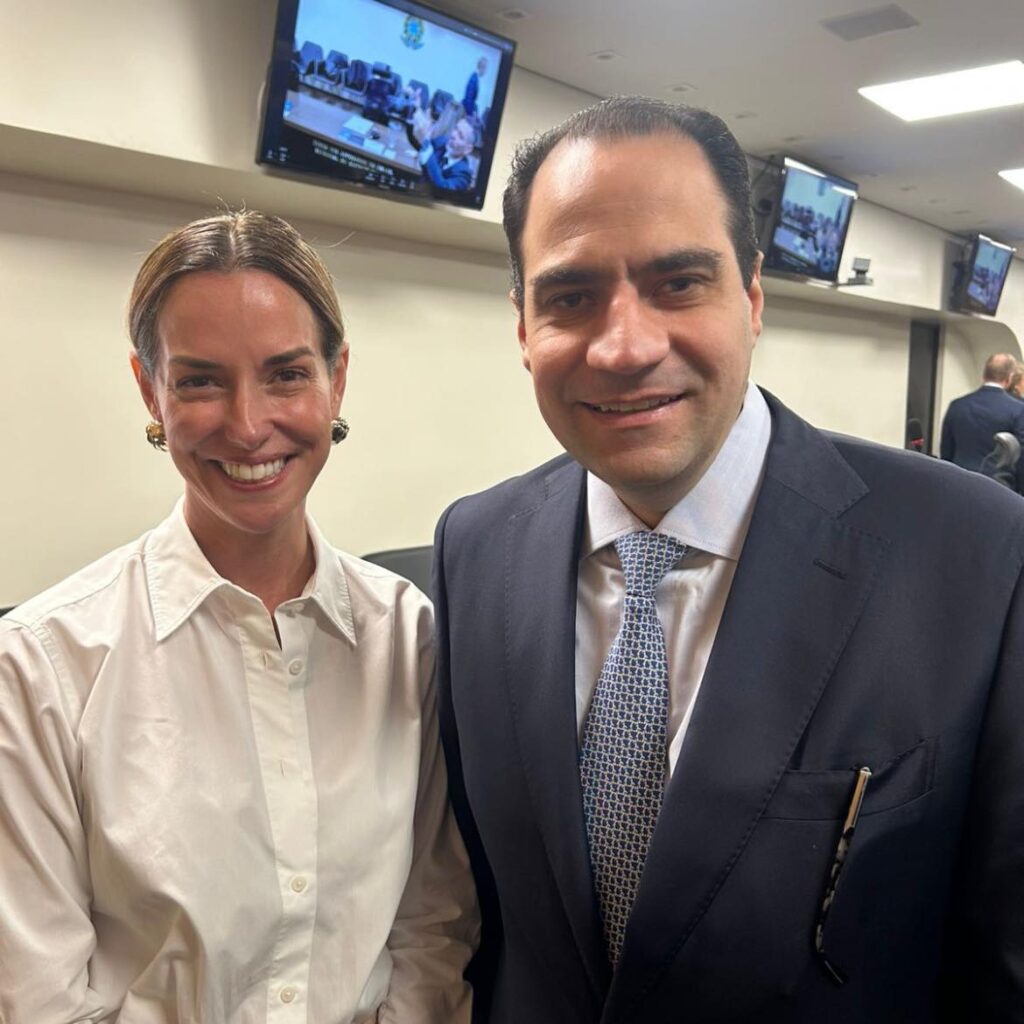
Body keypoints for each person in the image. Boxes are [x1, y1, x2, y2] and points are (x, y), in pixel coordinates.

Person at [433, 97, 1024, 1022]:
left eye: (678, 282)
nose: (625, 346)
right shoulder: (473, 547)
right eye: (571, 296)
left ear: (752, 297)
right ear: (522, 324)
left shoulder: (975, 554)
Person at [0, 211, 476, 1023]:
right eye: (200, 381)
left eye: (286, 374)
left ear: (337, 379)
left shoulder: (409, 635)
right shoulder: (40, 667)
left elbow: (432, 924)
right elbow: (37, 996)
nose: (249, 425)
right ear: (150, 389)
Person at [940, 351, 1024, 486]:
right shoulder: (1019, 410)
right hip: (998, 487)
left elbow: (946, 451)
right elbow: (1020, 457)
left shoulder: (957, 405)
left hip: (959, 482)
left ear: (984, 375)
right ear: (1009, 378)